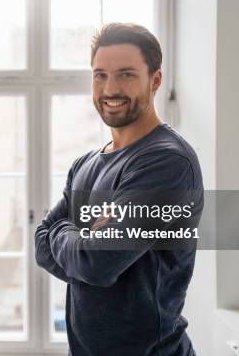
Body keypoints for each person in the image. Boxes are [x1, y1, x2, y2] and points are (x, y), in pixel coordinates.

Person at [35, 22, 203, 355]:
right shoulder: (85, 164)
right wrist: (81, 239)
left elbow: (97, 262)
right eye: (100, 75)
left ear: (155, 80)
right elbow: (41, 244)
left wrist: (70, 235)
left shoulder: (167, 163)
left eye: (126, 74)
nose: (110, 88)